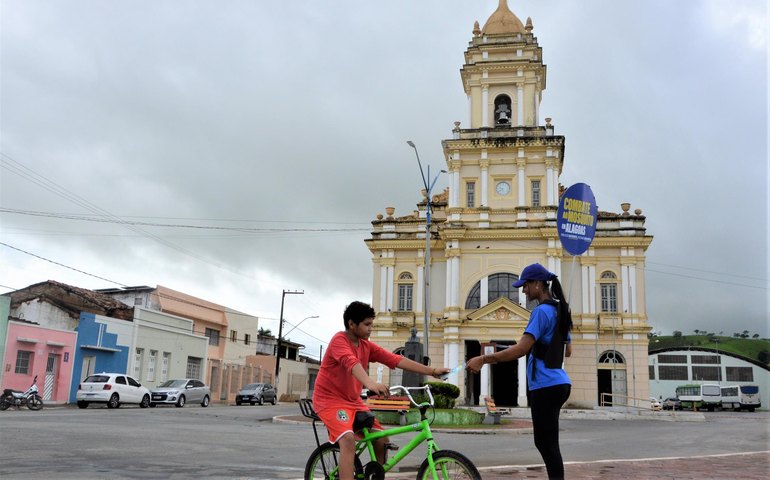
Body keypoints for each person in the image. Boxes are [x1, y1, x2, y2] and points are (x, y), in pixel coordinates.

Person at [312, 301, 451, 480]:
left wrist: (432, 371)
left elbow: (395, 360)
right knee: (347, 440)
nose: (371, 329)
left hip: (353, 402)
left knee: (382, 439)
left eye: (372, 324)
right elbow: (351, 363)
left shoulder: (366, 345)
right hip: (329, 401)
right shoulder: (339, 340)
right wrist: (371, 384)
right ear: (351, 324)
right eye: (367, 324)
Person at [466, 263, 573, 479]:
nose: (523, 290)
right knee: (547, 442)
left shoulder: (541, 312)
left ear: (537, 284)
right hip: (560, 383)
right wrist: (543, 345)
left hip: (546, 385)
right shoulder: (559, 310)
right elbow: (568, 350)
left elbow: (521, 349)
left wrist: (484, 358)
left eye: (525, 285)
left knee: (546, 443)